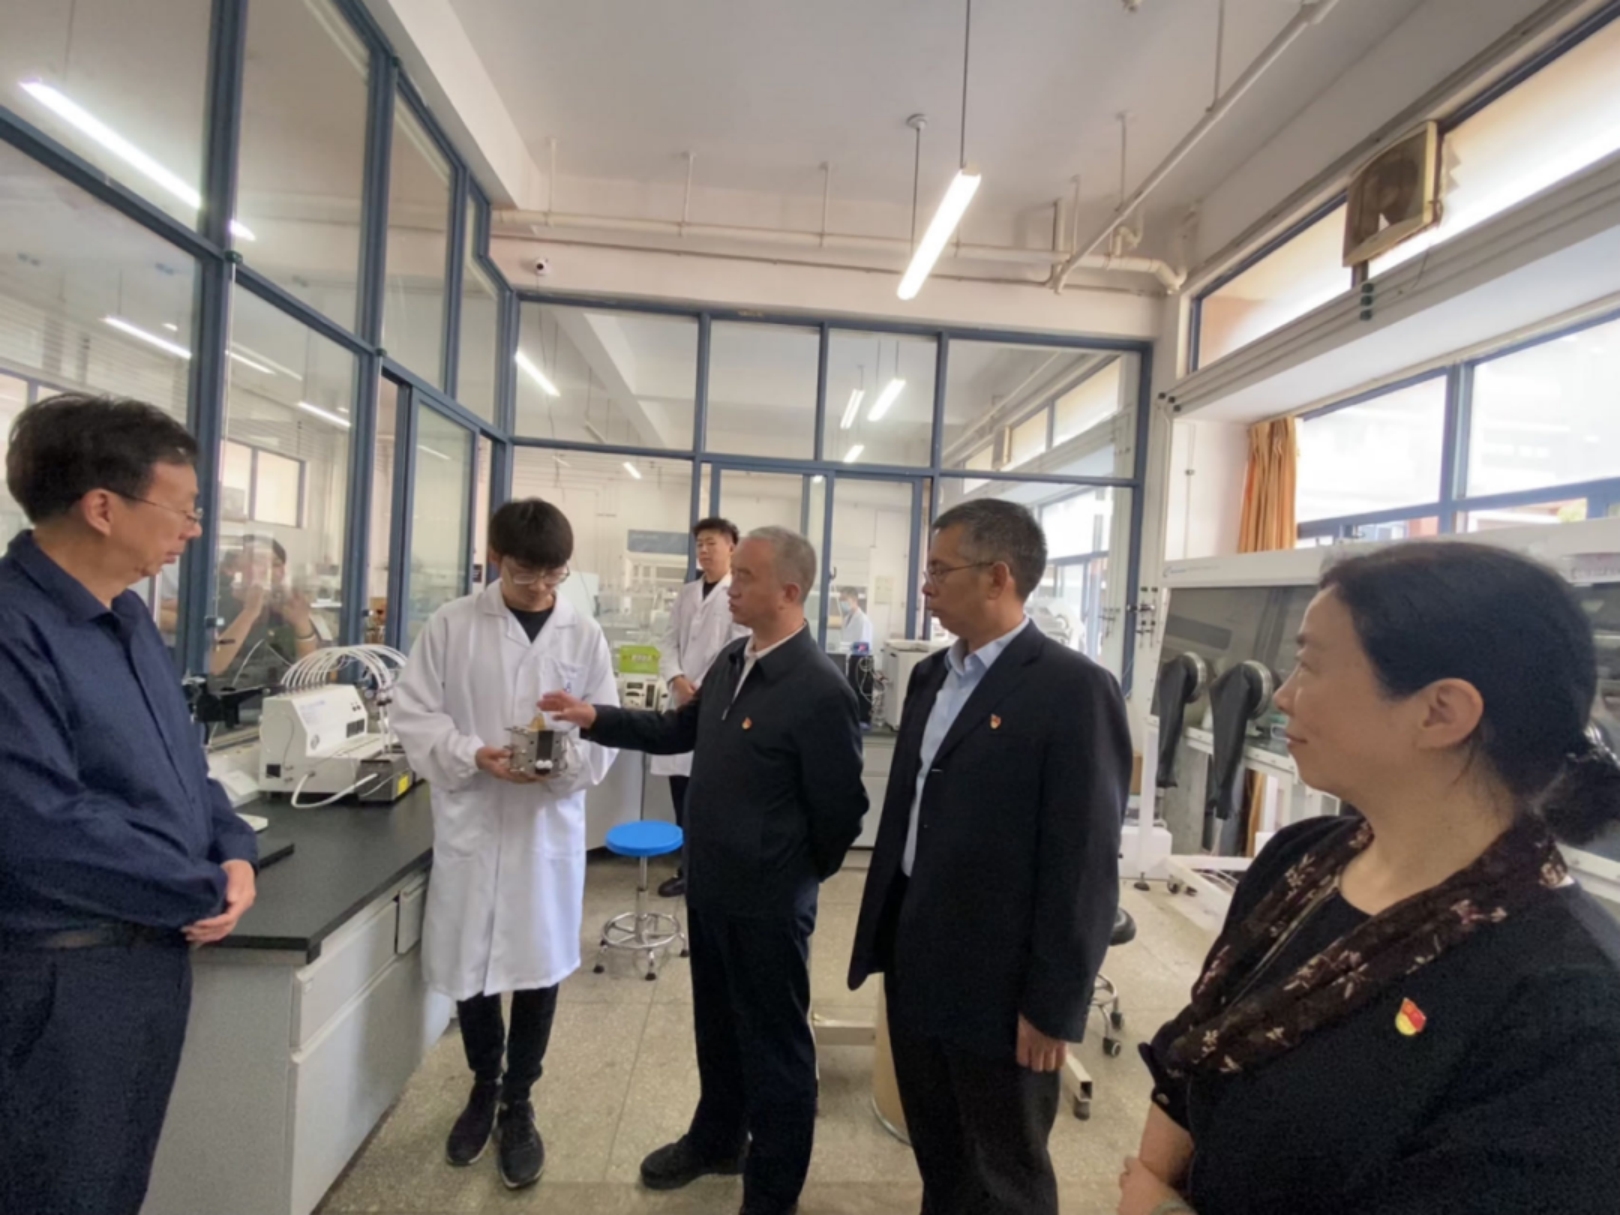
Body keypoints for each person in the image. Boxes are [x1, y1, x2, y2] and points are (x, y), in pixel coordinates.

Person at [1121, 542, 1620, 1215]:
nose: (1286, 695)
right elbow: (1203, 1044)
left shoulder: (1569, 1006)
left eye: (1312, 665)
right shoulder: (1302, 861)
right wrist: (1150, 1179)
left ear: (1440, 711)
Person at [542, 526, 867, 1215]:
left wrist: (789, 876)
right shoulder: (732, 658)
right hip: (713, 889)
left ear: (790, 591)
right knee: (717, 1029)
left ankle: (771, 1194)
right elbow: (677, 731)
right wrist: (595, 716)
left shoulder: (819, 689)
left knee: (776, 1050)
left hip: (768, 903)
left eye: (745, 577)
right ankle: (717, 1138)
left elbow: (841, 814)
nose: (729, 588)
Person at [0, 393, 259, 1215]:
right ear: (103, 507)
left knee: (113, 1181)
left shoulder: (128, 618)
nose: (194, 531)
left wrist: (234, 846)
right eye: (182, 509)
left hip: (145, 960)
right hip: (58, 978)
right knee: (57, 1187)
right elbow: (38, 824)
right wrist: (202, 884)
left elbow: (184, 762)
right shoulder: (13, 630)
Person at [848, 499, 1131, 1215]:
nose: (926, 587)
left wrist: (1054, 1006)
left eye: (940, 571)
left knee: (1004, 1170)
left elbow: (1085, 863)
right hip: (917, 952)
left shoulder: (1073, 689)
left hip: (1001, 981)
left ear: (998, 576)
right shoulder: (930, 677)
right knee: (938, 1146)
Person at [391, 498, 620, 1190]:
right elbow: (414, 713)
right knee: (473, 963)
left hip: (544, 827)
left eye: (554, 575)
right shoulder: (452, 624)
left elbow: (603, 728)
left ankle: (520, 1100)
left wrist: (563, 765)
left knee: (539, 964)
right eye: (526, 574)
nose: (541, 588)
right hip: (474, 816)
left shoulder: (583, 633)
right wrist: (472, 753)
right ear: (495, 558)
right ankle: (482, 1085)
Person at [653, 516, 749, 898]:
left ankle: (708, 871)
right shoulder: (687, 594)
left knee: (709, 797)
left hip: (715, 707)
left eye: (712, 543)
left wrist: (704, 691)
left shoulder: (737, 593)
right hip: (681, 701)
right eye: (700, 544)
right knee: (681, 794)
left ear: (731, 547)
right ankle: (687, 869)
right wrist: (677, 679)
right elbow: (667, 642)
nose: (705, 551)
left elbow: (737, 651)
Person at [210, 533, 320, 687]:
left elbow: (311, 673)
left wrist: (302, 623)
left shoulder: (282, 611)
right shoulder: (214, 606)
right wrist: (249, 613)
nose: (269, 571)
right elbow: (213, 666)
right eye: (259, 561)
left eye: (276, 564)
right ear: (231, 569)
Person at [838, 586, 874, 651]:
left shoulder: (863, 620)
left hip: (856, 656)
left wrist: (850, 648)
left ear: (854, 600)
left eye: (844, 600)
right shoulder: (846, 618)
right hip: (846, 654)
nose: (842, 603)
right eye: (840, 600)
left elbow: (864, 647)